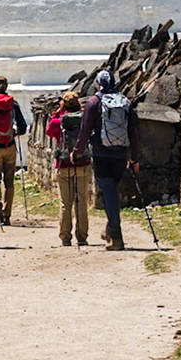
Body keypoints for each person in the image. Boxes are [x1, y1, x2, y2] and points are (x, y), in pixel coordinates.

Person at [74, 69, 138, 251]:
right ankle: (110, 229)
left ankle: (116, 234)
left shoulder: (94, 102)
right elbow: (133, 132)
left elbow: (85, 131)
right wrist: (134, 157)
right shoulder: (125, 101)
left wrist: (77, 151)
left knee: (109, 193)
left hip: (102, 154)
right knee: (112, 191)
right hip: (121, 154)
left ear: (97, 84)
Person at [45, 89, 92, 246]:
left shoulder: (59, 121)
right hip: (83, 164)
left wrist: (57, 113)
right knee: (82, 201)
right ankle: (82, 236)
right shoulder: (84, 119)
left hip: (64, 165)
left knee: (66, 203)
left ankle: (65, 237)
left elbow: (49, 131)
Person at [0, 75, 29, 226]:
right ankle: (7, 213)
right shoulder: (12, 103)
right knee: (9, 182)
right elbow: (22, 127)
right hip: (9, 146)